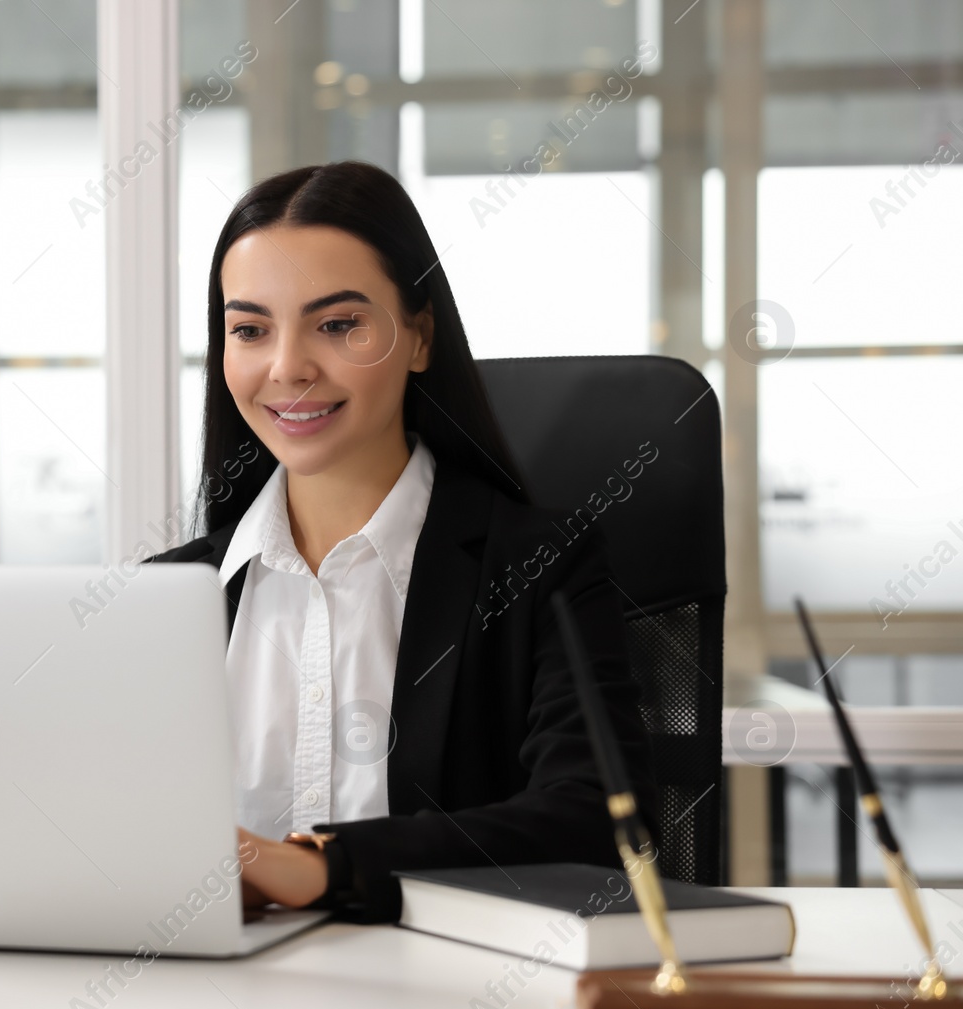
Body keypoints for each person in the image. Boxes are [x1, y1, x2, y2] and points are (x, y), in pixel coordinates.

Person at [149, 161, 656, 923]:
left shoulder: (538, 566)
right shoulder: (166, 597)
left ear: (419, 336)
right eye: (250, 329)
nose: (287, 367)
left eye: (338, 323)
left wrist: (322, 868)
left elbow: (596, 821)